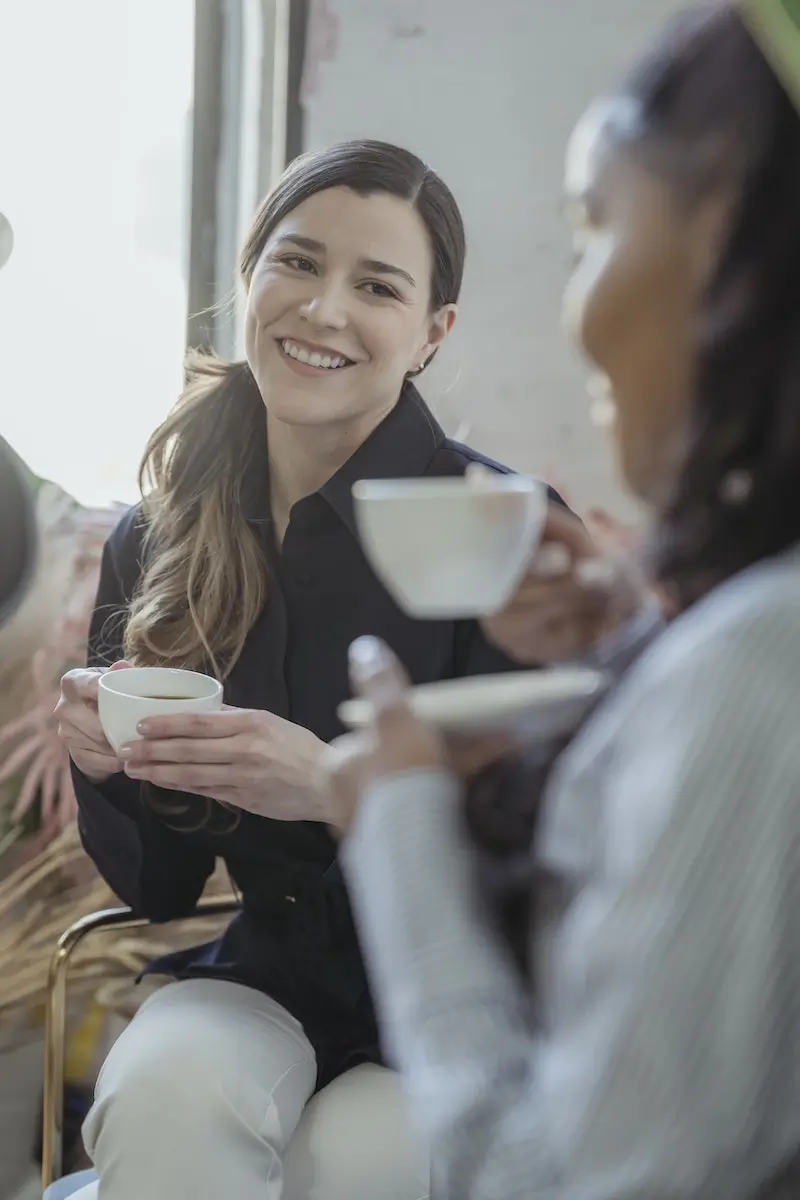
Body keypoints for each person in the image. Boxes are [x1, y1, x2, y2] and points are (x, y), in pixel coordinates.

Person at [328, 6, 800, 1198]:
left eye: (591, 224)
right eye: (293, 260)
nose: (571, 310)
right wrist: (631, 660)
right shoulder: (726, 645)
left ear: (735, 232)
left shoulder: (757, 661)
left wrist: (398, 825)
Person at [54, 139, 567, 1200]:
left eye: (375, 286)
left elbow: (558, 856)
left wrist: (339, 790)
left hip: (469, 1002)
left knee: (350, 1157)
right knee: (161, 1093)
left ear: (431, 335)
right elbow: (159, 885)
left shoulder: (501, 529)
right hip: (271, 976)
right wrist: (105, 766)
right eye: (296, 263)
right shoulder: (162, 536)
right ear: (249, 278)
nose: (323, 310)